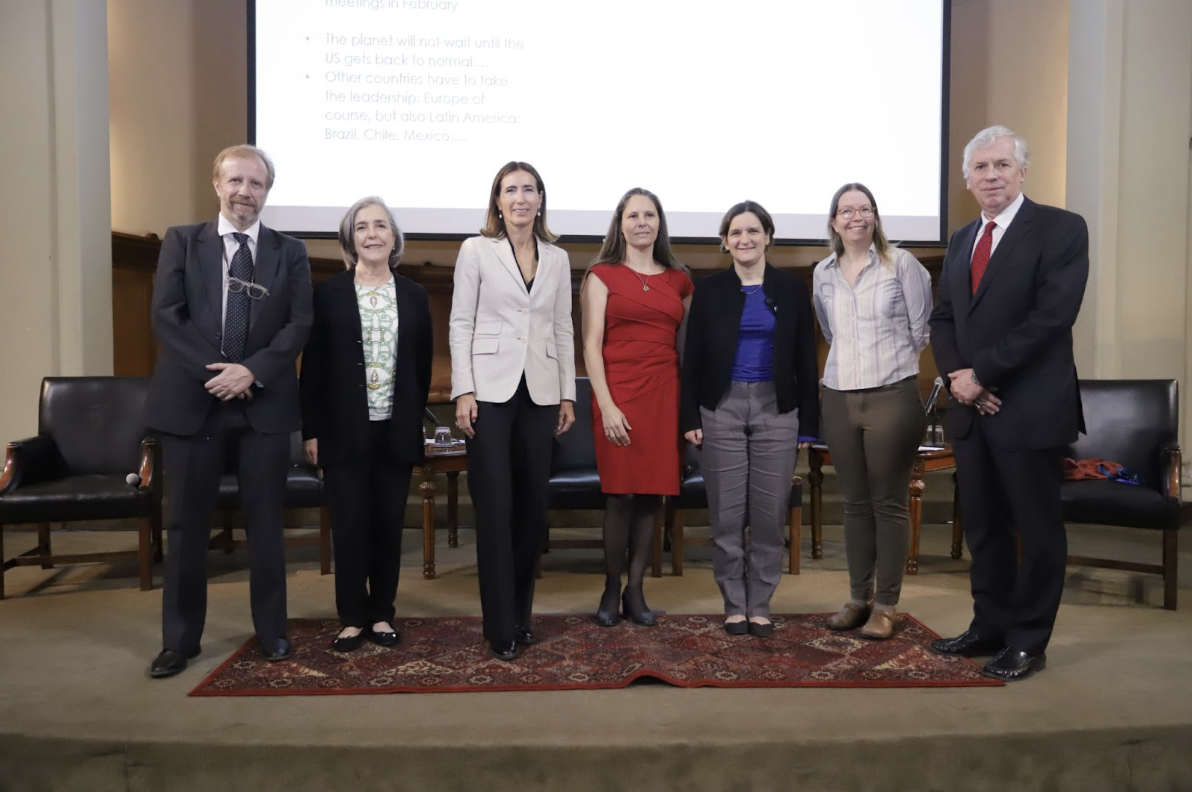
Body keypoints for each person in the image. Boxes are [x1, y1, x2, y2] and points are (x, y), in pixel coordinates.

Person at [145, 144, 313, 678]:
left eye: (257, 183)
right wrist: (219, 373)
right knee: (186, 528)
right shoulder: (182, 241)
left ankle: (272, 632)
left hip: (263, 406)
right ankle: (179, 640)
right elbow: (167, 317)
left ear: (267, 191)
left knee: (266, 527)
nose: (246, 191)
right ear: (217, 184)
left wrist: (252, 371)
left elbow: (298, 324)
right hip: (194, 403)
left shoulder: (290, 251)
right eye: (236, 181)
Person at [928, 125, 1088, 681]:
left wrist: (983, 374)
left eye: (1001, 165)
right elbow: (943, 317)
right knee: (985, 527)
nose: (991, 175)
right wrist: (957, 378)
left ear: (1022, 171)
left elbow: (1052, 317)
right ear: (968, 179)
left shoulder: (1061, 229)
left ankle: (1028, 641)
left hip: (1030, 407)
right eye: (981, 167)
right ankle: (990, 625)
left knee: (1037, 530)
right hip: (972, 413)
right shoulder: (959, 240)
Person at [449, 161, 576, 661]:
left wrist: (567, 393)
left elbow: (562, 327)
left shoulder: (559, 258)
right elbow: (461, 322)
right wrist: (463, 390)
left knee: (530, 512)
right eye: (510, 190)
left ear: (540, 199)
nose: (520, 198)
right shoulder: (476, 250)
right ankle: (498, 625)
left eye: (529, 189)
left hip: (541, 394)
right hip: (489, 395)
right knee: (496, 509)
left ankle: (521, 618)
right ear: (497, 201)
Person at [299, 197, 432, 652]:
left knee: (388, 526)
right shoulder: (329, 293)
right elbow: (312, 367)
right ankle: (352, 616)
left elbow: (420, 367)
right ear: (350, 239)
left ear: (394, 237)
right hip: (341, 431)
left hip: (394, 430)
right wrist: (312, 431)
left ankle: (382, 614)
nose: (372, 233)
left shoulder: (414, 295)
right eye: (362, 227)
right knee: (350, 525)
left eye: (381, 225)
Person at [680, 201, 819, 637]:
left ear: (768, 237)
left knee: (767, 515)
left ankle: (759, 603)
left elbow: (805, 359)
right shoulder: (709, 290)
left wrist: (809, 424)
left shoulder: (792, 289)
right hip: (719, 408)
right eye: (736, 232)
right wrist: (689, 417)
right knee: (725, 515)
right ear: (725, 241)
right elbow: (692, 359)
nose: (745, 239)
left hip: (777, 410)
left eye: (753, 231)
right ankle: (733, 604)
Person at [812, 183, 933, 640]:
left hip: (891, 395)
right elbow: (829, 330)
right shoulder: (823, 272)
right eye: (847, 210)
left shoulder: (901, 265)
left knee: (888, 501)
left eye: (865, 209)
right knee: (855, 503)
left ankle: (887, 604)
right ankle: (857, 598)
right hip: (839, 396)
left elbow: (921, 329)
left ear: (876, 218)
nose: (856, 217)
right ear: (834, 221)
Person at [582, 188, 694, 627]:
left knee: (651, 496)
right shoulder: (601, 275)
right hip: (617, 395)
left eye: (650, 215)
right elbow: (590, 345)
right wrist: (607, 406)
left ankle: (636, 591)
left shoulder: (680, 280)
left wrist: (688, 413)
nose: (642, 222)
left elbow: (686, 351)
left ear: (660, 223)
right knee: (621, 494)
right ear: (620, 223)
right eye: (634, 215)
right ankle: (611, 588)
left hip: (664, 395)